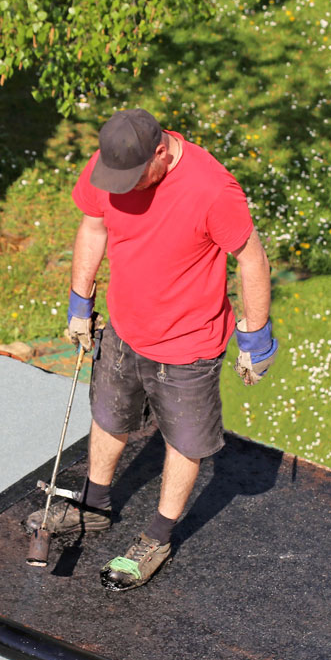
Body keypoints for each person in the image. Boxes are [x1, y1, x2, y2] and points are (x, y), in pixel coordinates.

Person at [27, 107, 278, 592]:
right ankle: (94, 507)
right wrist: (81, 302)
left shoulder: (212, 190)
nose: (121, 187)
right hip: (123, 325)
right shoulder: (114, 163)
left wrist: (256, 337)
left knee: (183, 441)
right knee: (108, 415)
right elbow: (93, 227)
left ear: (161, 153)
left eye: (132, 178)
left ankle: (157, 537)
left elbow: (251, 258)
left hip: (188, 344)